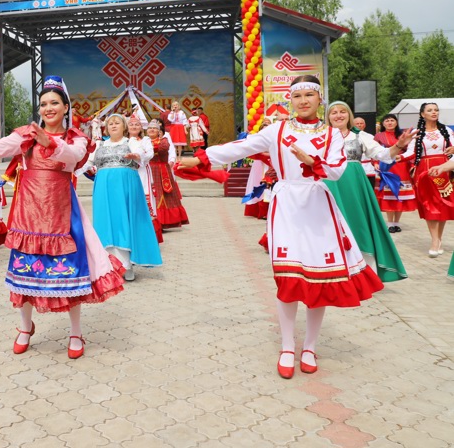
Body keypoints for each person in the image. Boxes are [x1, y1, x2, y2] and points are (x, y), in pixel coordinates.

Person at [179, 75, 383, 378]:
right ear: (291, 100)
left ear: (319, 99)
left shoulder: (333, 135)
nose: (303, 101)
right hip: (286, 204)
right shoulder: (277, 130)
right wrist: (200, 159)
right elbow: (240, 147)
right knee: (288, 281)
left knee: (319, 280)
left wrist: (313, 162)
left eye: (309, 95)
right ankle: (288, 346)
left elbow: (338, 171)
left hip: (317, 205)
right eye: (297, 95)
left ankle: (310, 347)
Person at [0, 76, 124, 359]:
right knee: (24, 274)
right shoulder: (26, 134)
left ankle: (75, 332)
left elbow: (72, 158)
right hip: (29, 212)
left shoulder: (77, 139)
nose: (48, 108)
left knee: (71, 274)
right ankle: (25, 327)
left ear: (65, 107)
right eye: (44, 104)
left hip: (62, 212)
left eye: (54, 103)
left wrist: (51, 143)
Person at [323, 102, 410, 282]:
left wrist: (399, 146)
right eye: (333, 113)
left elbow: (383, 155)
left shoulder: (361, 135)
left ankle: (365, 273)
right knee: (329, 226)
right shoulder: (321, 135)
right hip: (328, 184)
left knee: (358, 223)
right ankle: (332, 271)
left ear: (349, 115)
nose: (338, 115)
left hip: (353, 185)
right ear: (328, 116)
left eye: (342, 112)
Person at [86, 114, 161, 281]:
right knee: (105, 222)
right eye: (110, 123)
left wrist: (137, 156)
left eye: (117, 123)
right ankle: (108, 265)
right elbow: (88, 162)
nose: (113, 125)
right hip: (103, 188)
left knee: (123, 222)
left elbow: (144, 154)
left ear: (124, 127)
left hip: (125, 187)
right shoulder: (100, 144)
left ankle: (126, 265)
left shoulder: (131, 142)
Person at [406, 102, 454, 257]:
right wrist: (397, 156)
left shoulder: (446, 130)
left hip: (444, 168)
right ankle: (434, 240)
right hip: (425, 171)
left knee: (443, 204)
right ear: (422, 114)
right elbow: (410, 153)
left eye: (436, 110)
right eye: (430, 110)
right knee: (429, 205)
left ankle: (438, 238)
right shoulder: (417, 133)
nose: (434, 112)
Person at [373, 114, 417, 232]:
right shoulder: (379, 136)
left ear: (396, 122)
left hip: (402, 166)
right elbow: (374, 152)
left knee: (401, 195)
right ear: (383, 124)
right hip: (387, 167)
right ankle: (390, 224)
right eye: (387, 121)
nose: (390, 122)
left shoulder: (403, 134)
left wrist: (411, 164)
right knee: (389, 194)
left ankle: (396, 223)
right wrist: (376, 162)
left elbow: (411, 151)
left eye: (392, 120)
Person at [126, 114, 163, 242]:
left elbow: (150, 153)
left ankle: (147, 238)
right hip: (126, 173)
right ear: (127, 127)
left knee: (143, 198)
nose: (134, 126)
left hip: (142, 172)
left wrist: (138, 156)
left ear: (141, 127)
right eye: (131, 124)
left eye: (137, 124)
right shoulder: (123, 141)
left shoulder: (145, 140)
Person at [146, 124, 188, 228]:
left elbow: (162, 149)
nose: (152, 130)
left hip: (161, 170)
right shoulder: (144, 141)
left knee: (163, 194)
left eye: (154, 128)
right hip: (148, 171)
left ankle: (163, 221)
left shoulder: (163, 141)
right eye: (149, 128)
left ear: (159, 131)